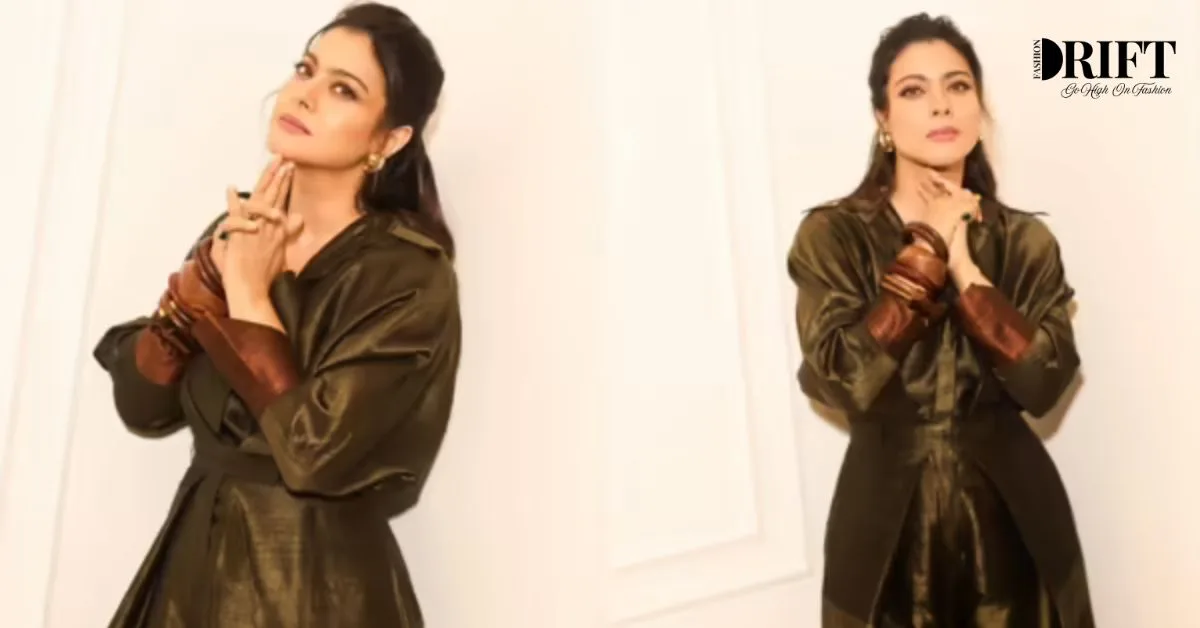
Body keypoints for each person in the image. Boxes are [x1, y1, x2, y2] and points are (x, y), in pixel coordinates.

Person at [92, 4, 461, 626]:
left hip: (315, 587)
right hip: (190, 569)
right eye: (306, 70)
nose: (304, 94)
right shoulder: (239, 228)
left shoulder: (406, 273)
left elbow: (314, 451)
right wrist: (191, 298)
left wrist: (247, 294)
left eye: (344, 89)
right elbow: (143, 407)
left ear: (389, 141)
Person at [787, 14, 1094, 628]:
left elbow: (1045, 384)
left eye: (958, 86)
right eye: (913, 90)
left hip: (1016, 528)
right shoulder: (833, 236)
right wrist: (924, 254)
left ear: (980, 109)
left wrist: (964, 267)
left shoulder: (1026, 241)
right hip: (884, 533)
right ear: (883, 119)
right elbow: (841, 379)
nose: (940, 105)